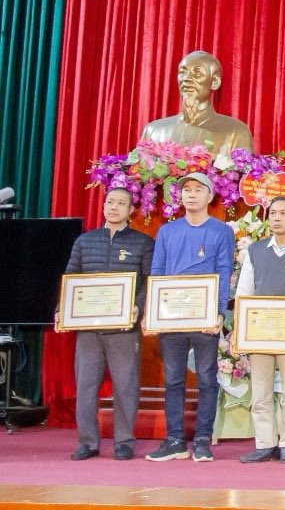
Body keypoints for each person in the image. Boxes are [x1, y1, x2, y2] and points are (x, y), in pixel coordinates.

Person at [144, 173, 235, 462]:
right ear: (179, 197)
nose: (191, 195)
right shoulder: (167, 232)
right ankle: (174, 441)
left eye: (198, 190)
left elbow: (224, 272)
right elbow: (157, 272)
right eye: (186, 190)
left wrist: (219, 312)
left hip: (205, 318)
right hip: (171, 318)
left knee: (208, 379)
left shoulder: (221, 231)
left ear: (210, 196)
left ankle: (203, 441)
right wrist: (151, 311)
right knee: (173, 380)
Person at [63, 187, 154, 461]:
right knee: (86, 386)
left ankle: (124, 441)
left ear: (131, 210)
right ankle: (87, 442)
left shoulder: (143, 242)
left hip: (124, 330)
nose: (114, 207)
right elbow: (70, 279)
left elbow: (149, 281)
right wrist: (62, 310)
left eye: (121, 203)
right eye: (110, 202)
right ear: (103, 206)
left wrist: (138, 306)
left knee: (126, 387)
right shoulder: (84, 242)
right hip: (89, 329)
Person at [234, 196, 285, 465]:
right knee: (260, 392)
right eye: (272, 213)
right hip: (259, 333)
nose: (277, 218)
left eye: (283, 213)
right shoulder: (256, 251)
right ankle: (264, 443)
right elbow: (243, 293)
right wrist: (240, 333)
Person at [138, 50, 254, 157]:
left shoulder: (235, 131)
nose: (187, 79)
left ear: (214, 82)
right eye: (183, 72)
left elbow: (242, 177)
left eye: (197, 73)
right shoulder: (154, 130)